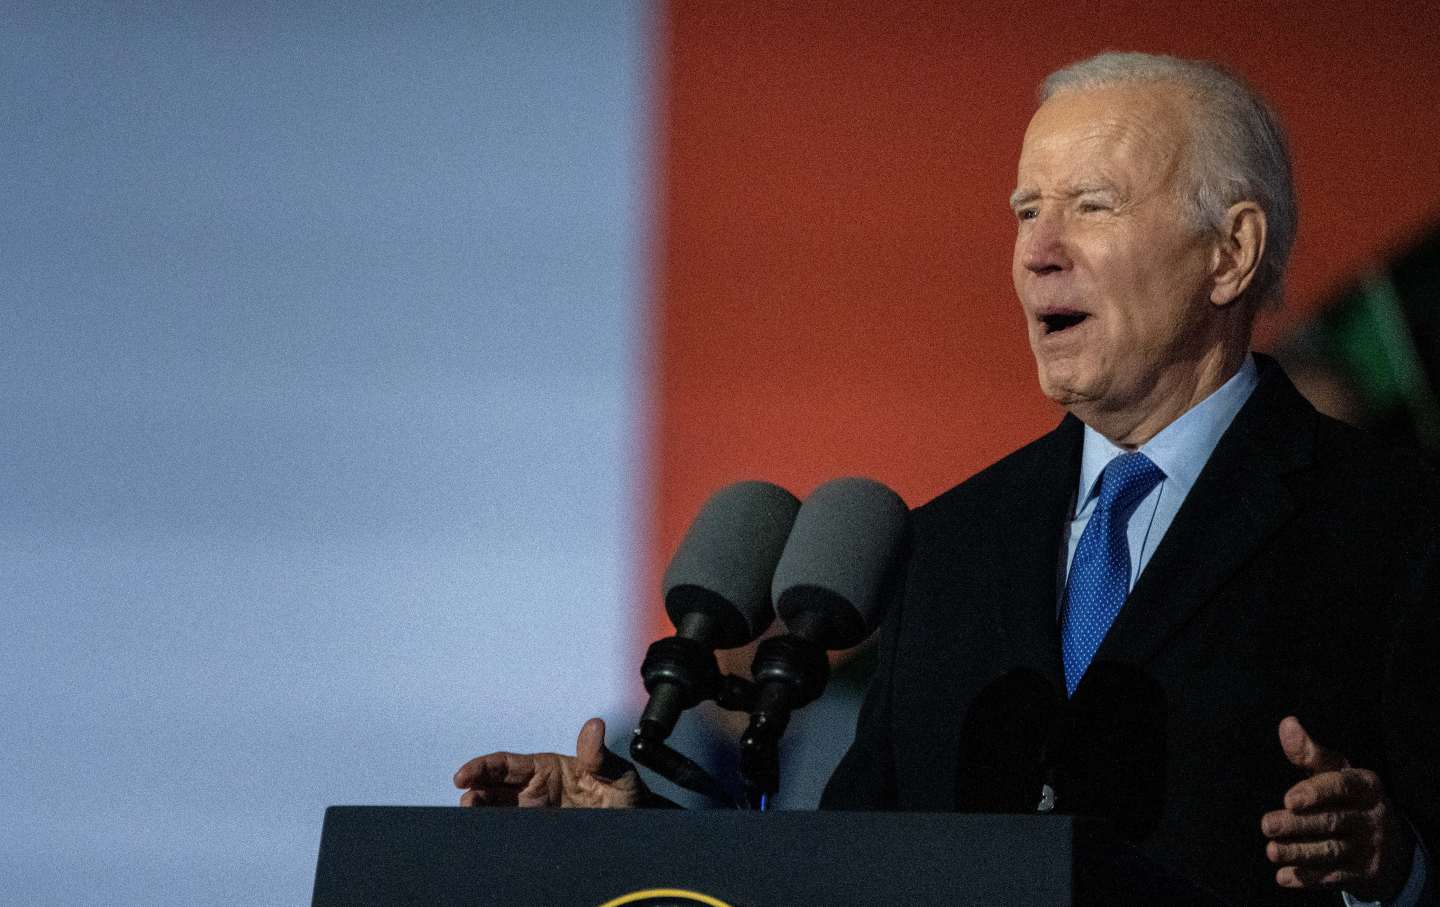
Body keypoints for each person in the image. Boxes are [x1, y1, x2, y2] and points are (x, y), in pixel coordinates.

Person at [455, 52, 1438, 906]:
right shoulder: (949, 544)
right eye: (1026, 211)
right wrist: (631, 839)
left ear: (1232, 253)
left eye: (1091, 207)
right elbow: (850, 873)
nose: (1038, 252)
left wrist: (1392, 870)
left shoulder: (1397, 523)